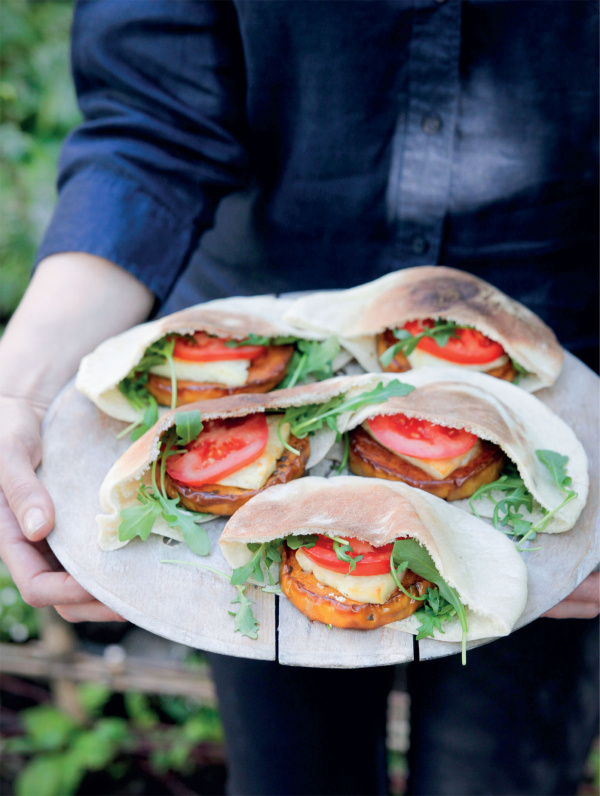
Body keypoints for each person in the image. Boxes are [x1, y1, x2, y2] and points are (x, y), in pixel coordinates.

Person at [0, 1, 598, 793]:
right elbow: (151, 121)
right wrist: (24, 385)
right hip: (248, 341)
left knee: (506, 775)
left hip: (565, 391)